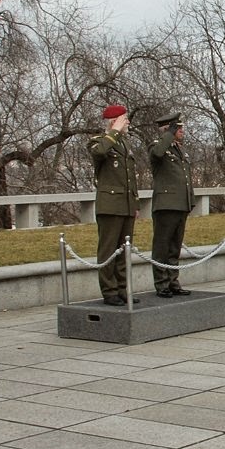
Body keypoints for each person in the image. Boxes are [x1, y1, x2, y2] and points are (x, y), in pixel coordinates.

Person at [87, 104, 140, 306]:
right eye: (124, 119)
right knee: (109, 250)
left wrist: (134, 204)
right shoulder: (99, 141)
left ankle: (122, 289)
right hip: (110, 205)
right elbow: (99, 153)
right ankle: (109, 291)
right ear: (113, 121)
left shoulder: (124, 145)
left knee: (124, 250)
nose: (127, 123)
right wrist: (114, 131)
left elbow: (130, 179)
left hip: (126, 205)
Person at [149, 112, 195, 298]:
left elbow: (185, 179)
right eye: (178, 128)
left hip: (180, 204)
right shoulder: (158, 146)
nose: (182, 131)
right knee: (162, 246)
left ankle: (172, 281)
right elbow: (158, 152)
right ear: (169, 129)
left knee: (175, 247)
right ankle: (161, 283)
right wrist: (169, 134)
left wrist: (189, 200)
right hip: (166, 204)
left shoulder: (179, 150)